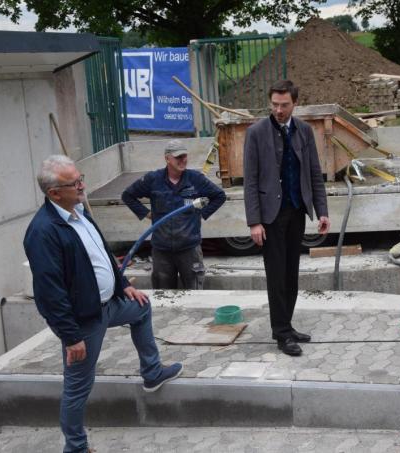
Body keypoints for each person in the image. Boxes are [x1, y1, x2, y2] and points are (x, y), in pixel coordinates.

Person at [24, 155, 183, 453]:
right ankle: (76, 448)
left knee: (142, 308)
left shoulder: (79, 211)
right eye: (75, 183)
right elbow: (49, 293)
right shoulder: (43, 231)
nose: (83, 185)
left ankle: (152, 372)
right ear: (54, 193)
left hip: (110, 303)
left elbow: (101, 255)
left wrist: (123, 285)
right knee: (77, 387)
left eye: (80, 177)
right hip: (84, 320)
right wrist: (71, 337)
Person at [243, 79, 330, 356]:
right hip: (270, 216)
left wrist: (322, 210)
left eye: (284, 105)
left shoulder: (304, 131)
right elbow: (250, 180)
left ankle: (287, 325)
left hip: (296, 211)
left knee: (291, 273)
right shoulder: (256, 133)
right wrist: (254, 221)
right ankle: (280, 333)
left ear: (295, 104)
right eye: (275, 105)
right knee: (276, 276)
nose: (279, 110)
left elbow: (314, 173)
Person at [121, 139, 226, 290]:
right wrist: (146, 213)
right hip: (162, 252)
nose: (183, 160)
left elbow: (219, 196)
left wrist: (202, 213)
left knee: (195, 293)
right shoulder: (153, 179)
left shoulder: (195, 179)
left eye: (184, 156)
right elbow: (128, 195)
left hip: (190, 250)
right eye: (178, 157)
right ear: (167, 158)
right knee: (163, 294)